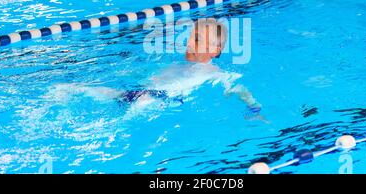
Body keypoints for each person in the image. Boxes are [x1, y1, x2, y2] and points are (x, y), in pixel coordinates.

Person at [47, 18, 265, 121]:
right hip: (137, 93)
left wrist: (254, 109)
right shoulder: (179, 64)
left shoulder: (214, 72)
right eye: (190, 37)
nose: (189, 43)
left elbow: (237, 88)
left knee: (117, 118)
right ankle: (68, 90)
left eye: (197, 40)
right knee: (82, 89)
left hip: (159, 100)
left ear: (215, 50)